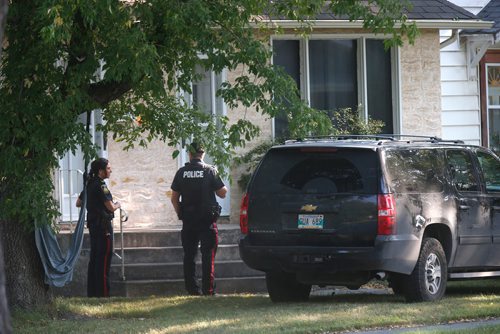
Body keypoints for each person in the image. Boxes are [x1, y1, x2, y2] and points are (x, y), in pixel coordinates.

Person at [171, 142, 228, 296]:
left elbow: (174, 198)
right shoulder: (210, 171)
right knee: (208, 254)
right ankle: (208, 290)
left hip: (189, 220)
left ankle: (192, 290)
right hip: (207, 221)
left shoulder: (181, 172)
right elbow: (222, 193)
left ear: (189, 154)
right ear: (203, 154)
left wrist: (180, 214)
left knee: (189, 255)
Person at [76, 158, 121, 297]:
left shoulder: (89, 184)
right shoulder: (101, 185)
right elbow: (111, 207)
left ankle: (93, 293)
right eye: (108, 168)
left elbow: (78, 202)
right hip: (104, 227)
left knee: (95, 259)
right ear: (101, 171)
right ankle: (103, 294)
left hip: (94, 226)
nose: (110, 170)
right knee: (104, 259)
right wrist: (118, 204)